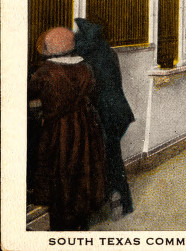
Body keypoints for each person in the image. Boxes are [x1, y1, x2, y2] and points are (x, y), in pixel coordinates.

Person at [28, 27, 107, 230]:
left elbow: (27, 94)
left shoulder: (45, 71)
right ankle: (81, 220)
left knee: (61, 172)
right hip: (85, 128)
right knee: (82, 169)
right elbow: (95, 94)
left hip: (58, 130)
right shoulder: (85, 68)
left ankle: (62, 225)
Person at [73, 18, 136, 216]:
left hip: (106, 114)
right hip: (120, 112)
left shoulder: (88, 58)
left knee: (111, 159)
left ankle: (120, 201)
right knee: (112, 157)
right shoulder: (109, 52)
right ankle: (119, 200)